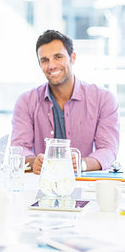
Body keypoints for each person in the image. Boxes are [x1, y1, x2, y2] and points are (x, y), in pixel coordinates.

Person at [11, 29, 119, 174]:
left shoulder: (103, 99)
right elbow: (18, 148)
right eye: (45, 60)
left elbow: (108, 149)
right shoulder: (26, 101)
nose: (51, 66)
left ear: (72, 58)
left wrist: (82, 164)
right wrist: (33, 162)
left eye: (58, 57)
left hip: (85, 188)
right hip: (41, 188)